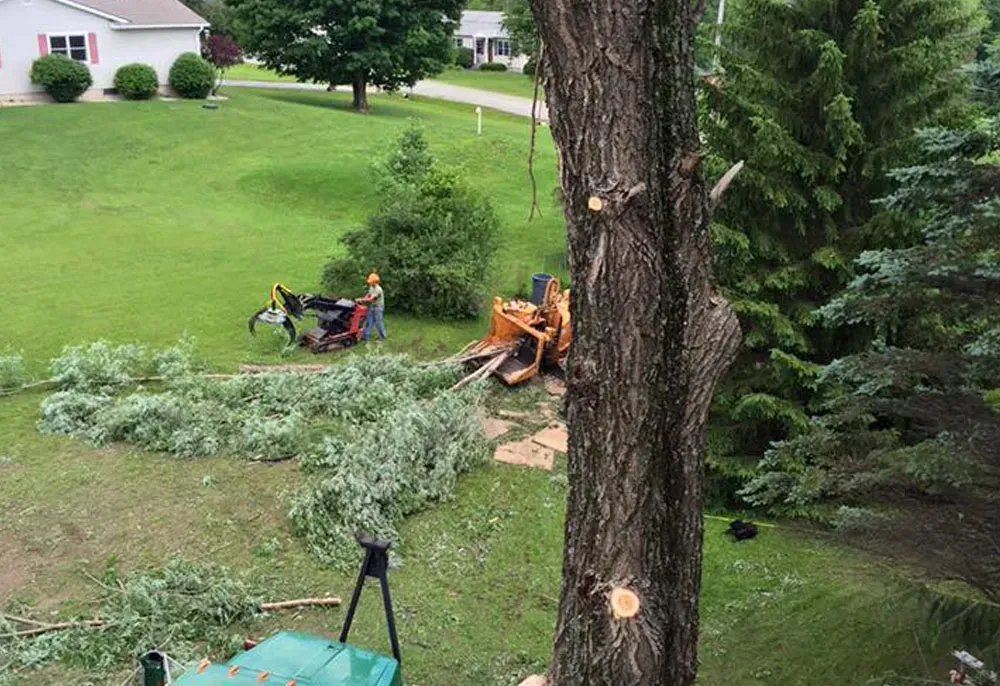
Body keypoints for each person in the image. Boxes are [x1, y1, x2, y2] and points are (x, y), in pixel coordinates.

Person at [358, 273, 386, 341]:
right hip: (373, 306)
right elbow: (368, 294)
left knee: (378, 322)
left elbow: (371, 299)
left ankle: (382, 337)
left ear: (374, 281)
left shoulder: (378, 289)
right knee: (369, 321)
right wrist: (363, 299)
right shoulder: (371, 287)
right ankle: (365, 336)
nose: (370, 283)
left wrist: (362, 299)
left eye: (371, 281)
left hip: (378, 307)